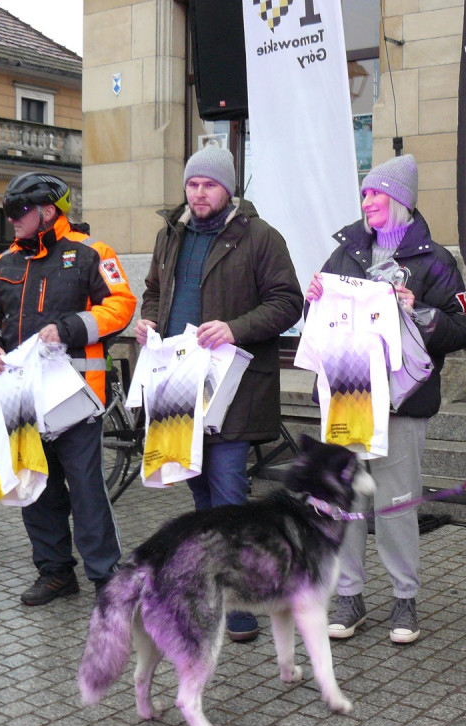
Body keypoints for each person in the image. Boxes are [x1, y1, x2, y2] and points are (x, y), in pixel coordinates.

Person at [134, 146, 303, 642]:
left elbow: (288, 302)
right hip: (177, 384)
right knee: (198, 487)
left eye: (209, 184)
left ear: (228, 188)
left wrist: (235, 328)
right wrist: (148, 320)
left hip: (233, 387)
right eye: (193, 184)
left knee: (229, 491)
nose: (199, 192)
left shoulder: (260, 237)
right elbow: (153, 290)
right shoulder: (171, 234)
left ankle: (244, 598)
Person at [306, 154, 466, 645]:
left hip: (404, 400)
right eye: (364, 194)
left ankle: (405, 599)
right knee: (346, 498)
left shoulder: (435, 260)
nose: (367, 201)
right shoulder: (345, 252)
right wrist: (313, 296)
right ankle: (350, 597)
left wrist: (418, 311)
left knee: (397, 502)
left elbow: (462, 328)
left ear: (400, 198)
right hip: (348, 394)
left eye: (375, 192)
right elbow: (314, 313)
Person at [0, 172, 136, 605]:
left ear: (48, 212)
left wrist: (67, 329)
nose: (10, 220)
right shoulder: (4, 263)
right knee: (35, 485)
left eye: (18, 212)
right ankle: (55, 573)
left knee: (86, 489)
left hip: (75, 397)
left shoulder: (91, 253)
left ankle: (107, 576)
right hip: (23, 400)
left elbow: (122, 306)